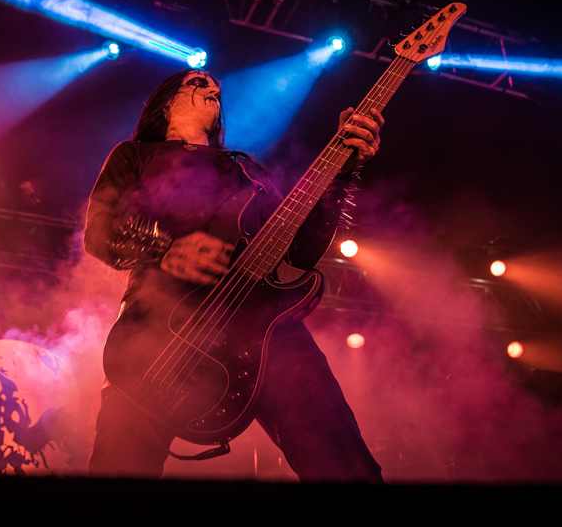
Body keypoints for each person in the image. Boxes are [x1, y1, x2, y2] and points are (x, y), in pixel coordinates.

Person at [84, 68, 385, 482]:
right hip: (156, 333)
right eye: (198, 82)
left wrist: (343, 171)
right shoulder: (134, 155)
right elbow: (99, 233)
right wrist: (165, 249)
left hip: (262, 331)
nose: (213, 88)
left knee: (343, 459)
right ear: (165, 101)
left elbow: (302, 250)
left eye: (217, 88)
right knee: (120, 462)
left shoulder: (248, 173)